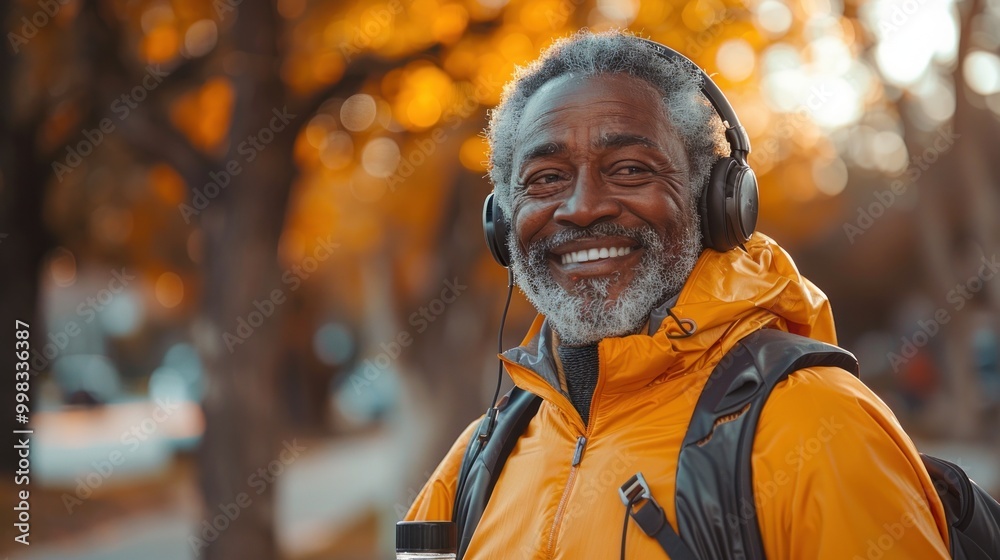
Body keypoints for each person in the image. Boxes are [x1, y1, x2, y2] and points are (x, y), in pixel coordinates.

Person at [404, 30, 951, 559]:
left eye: (630, 169)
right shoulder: (477, 461)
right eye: (546, 178)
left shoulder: (820, 427)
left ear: (716, 201)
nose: (582, 207)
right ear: (502, 222)